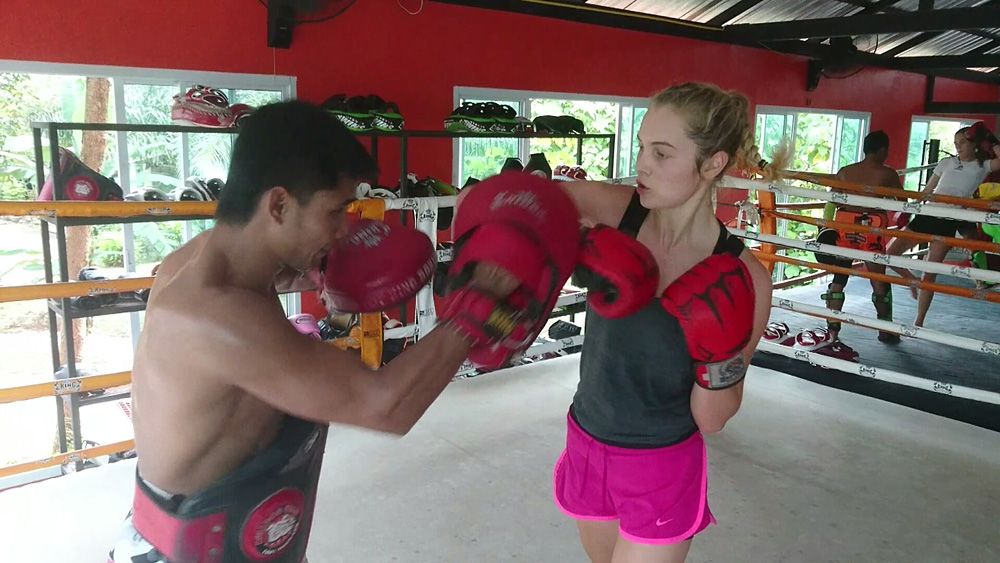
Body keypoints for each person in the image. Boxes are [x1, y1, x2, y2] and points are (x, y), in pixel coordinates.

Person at [108, 101, 575, 563]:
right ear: (279, 204)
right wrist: (478, 302)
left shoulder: (211, 259)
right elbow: (385, 405)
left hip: (234, 531)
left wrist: (315, 272)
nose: (344, 228)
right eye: (335, 211)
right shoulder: (217, 316)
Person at [552, 82, 773, 563]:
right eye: (641, 147)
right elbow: (521, 203)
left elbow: (712, 420)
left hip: (662, 462)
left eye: (662, 153)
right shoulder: (615, 212)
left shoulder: (745, 278)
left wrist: (716, 355)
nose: (643, 165)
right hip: (587, 437)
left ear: (713, 163)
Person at [885, 125, 1000, 327]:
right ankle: (912, 282)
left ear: (974, 144)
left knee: (929, 274)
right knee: (889, 253)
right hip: (928, 215)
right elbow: (927, 191)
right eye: (956, 143)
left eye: (962, 142)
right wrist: (910, 208)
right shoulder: (946, 162)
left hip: (948, 220)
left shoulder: (983, 166)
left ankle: (918, 322)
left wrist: (990, 138)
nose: (958, 147)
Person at [813, 130, 902, 343]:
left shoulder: (845, 171)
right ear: (882, 150)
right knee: (878, 281)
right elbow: (902, 198)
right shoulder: (887, 173)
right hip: (872, 231)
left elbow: (832, 200)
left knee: (840, 277)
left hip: (845, 228)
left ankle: (833, 330)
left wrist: (826, 227)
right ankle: (884, 329)